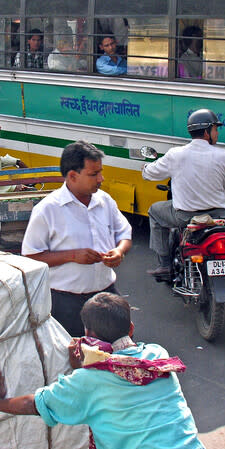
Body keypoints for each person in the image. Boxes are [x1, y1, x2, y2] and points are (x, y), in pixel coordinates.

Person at [0, 292, 209, 449]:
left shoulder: (88, 381)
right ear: (130, 328)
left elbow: (36, 404)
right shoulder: (156, 355)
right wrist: (83, 368)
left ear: (87, 334)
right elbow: (118, 377)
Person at [141, 109, 225, 314]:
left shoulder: (175, 155)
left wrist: (145, 167)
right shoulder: (223, 156)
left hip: (186, 217)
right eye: (215, 129)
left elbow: (150, 174)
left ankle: (165, 263)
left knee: (154, 212)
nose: (217, 133)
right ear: (206, 132)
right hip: (221, 217)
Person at [22, 140, 132, 336]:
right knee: (75, 358)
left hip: (106, 295)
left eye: (100, 172)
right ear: (72, 176)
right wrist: (72, 256)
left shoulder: (105, 201)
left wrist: (119, 251)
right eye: (93, 174)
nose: (101, 179)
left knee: (119, 355)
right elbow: (31, 257)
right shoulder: (47, 210)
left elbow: (124, 233)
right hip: (67, 303)